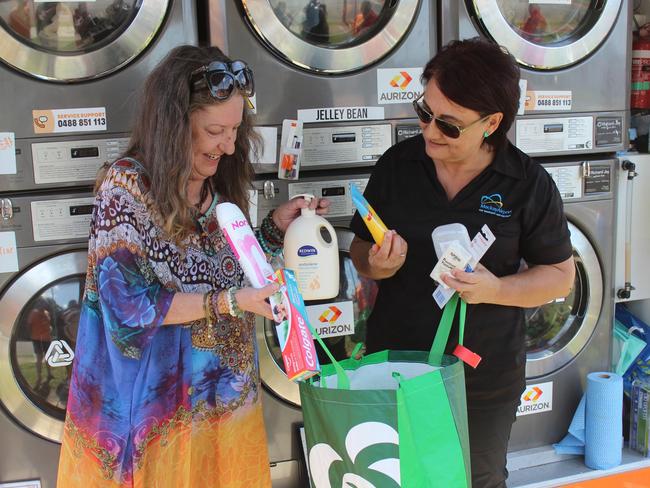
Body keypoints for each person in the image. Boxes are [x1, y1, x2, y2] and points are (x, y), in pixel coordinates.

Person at [57, 45, 329, 488]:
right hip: (154, 416)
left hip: (223, 407)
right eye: (214, 130)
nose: (228, 144)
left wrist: (274, 231)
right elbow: (128, 308)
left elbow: (221, 271)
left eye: (236, 129)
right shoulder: (126, 187)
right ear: (173, 124)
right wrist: (234, 302)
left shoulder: (217, 187)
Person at [349, 38, 575, 488]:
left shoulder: (526, 184)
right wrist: (377, 265)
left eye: (449, 126)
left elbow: (559, 278)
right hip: (396, 364)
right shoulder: (398, 166)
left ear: (492, 123)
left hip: (483, 378)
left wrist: (496, 289)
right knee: (393, 477)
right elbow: (360, 249)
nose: (430, 132)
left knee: (474, 479)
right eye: (424, 113)